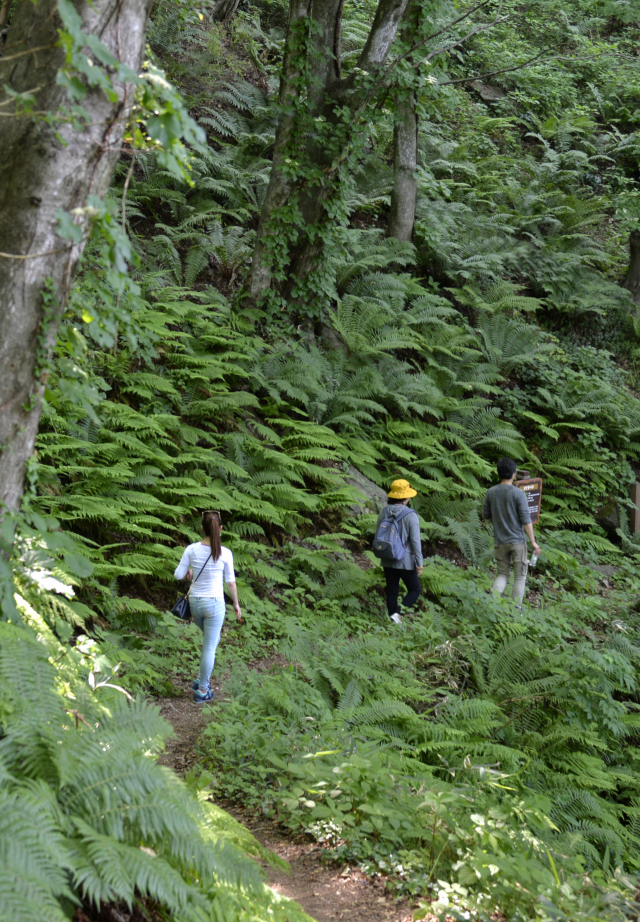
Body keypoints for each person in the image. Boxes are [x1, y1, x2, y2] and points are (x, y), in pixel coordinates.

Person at [174, 510, 241, 703]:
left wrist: (188, 571)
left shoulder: (191, 549)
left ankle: (201, 679)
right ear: (220, 529)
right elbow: (231, 583)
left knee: (212, 640)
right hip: (214, 604)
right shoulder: (225, 553)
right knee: (210, 647)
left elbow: (178, 575)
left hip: (195, 604)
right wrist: (236, 603)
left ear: (202, 528)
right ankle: (203, 690)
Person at [482, 458, 541, 606]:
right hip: (517, 541)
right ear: (514, 474)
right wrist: (533, 542)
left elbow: (486, 516)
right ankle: (516, 610)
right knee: (520, 577)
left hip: (499, 541)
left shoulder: (491, 492)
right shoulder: (518, 493)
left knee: (502, 574)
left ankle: (492, 604)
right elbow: (526, 519)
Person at [376, 479, 424, 624]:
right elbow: (415, 541)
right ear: (406, 497)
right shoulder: (410, 515)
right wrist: (419, 562)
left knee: (392, 591)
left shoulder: (384, 512)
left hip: (387, 556)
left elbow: (378, 533)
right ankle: (398, 615)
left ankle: (393, 623)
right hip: (405, 560)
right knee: (415, 589)